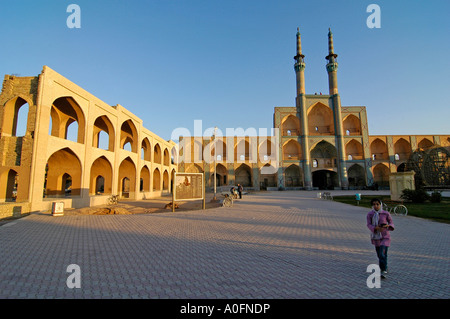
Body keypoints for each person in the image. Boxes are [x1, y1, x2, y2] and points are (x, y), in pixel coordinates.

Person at [366, 198, 395, 278]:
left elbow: (391, 223)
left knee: (382, 253)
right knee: (380, 254)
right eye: (374, 204)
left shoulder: (385, 213)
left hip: (385, 236)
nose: (376, 206)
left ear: (380, 205)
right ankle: (385, 266)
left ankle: (383, 270)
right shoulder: (370, 214)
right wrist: (375, 228)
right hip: (376, 237)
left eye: (377, 204)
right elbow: (368, 224)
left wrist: (388, 226)